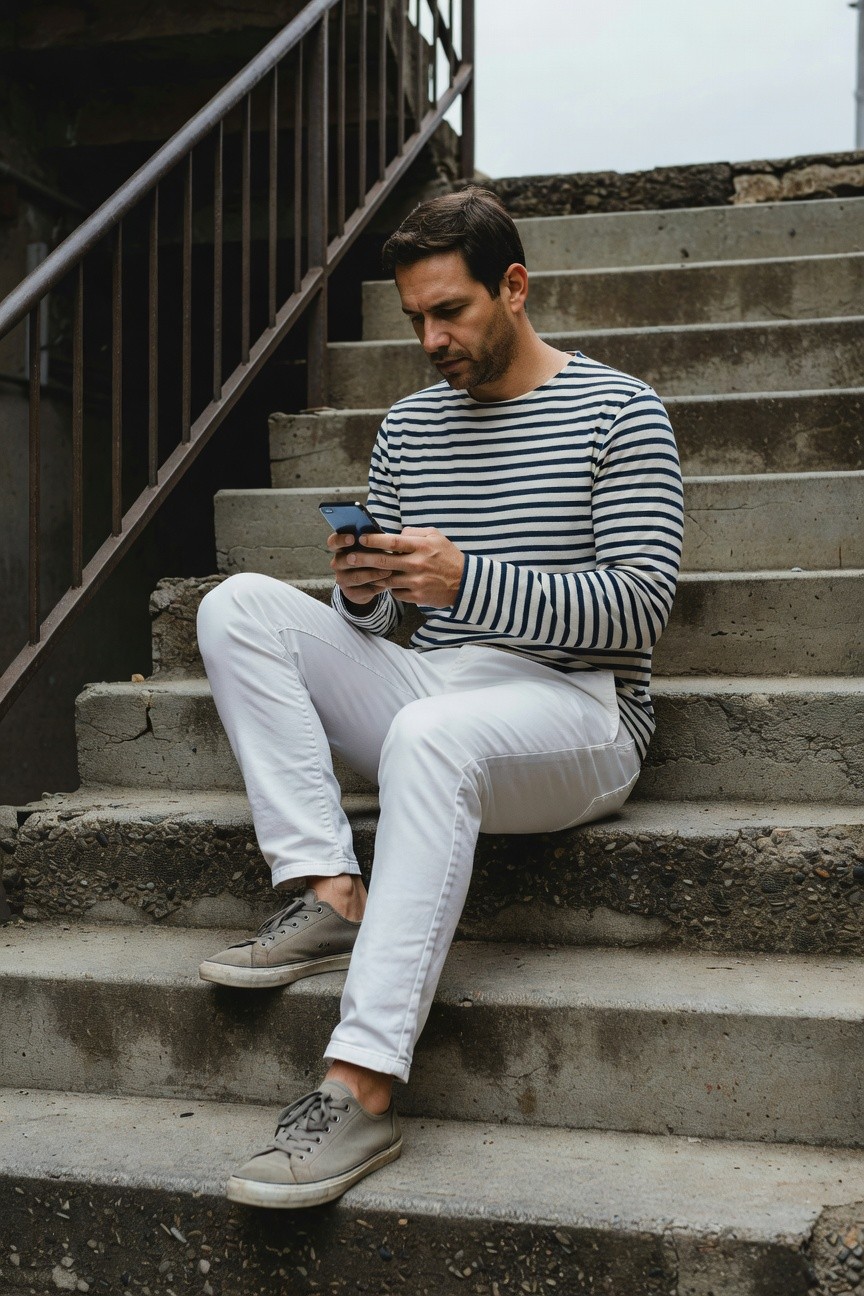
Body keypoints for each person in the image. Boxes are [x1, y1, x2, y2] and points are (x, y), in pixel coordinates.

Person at [196, 186, 684, 1210]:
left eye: (450, 311)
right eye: (416, 317)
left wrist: (471, 581)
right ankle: (330, 888)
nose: (430, 338)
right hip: (436, 687)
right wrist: (364, 594)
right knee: (238, 604)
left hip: (575, 708)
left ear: (514, 288)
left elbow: (639, 608)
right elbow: (403, 631)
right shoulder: (412, 428)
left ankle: (361, 1083)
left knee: (431, 733)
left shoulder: (620, 411)